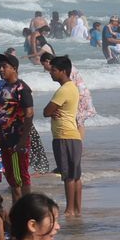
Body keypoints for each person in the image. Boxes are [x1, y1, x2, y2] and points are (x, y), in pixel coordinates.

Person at [0, 53, 33, 200]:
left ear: (14, 69)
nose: (1, 69)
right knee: (12, 179)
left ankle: (26, 207)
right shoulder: (2, 87)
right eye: (0, 66)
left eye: (4, 66)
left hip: (17, 140)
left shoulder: (21, 88)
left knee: (21, 177)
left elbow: (29, 114)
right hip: (4, 140)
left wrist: (23, 140)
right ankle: (17, 208)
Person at [41, 56, 83, 218]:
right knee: (75, 175)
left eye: (53, 70)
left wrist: (51, 112)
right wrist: (52, 112)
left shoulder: (64, 89)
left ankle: (70, 210)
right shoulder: (72, 87)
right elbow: (51, 111)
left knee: (68, 175)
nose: (51, 73)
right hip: (72, 135)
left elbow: (46, 111)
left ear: (63, 71)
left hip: (64, 135)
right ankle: (77, 209)